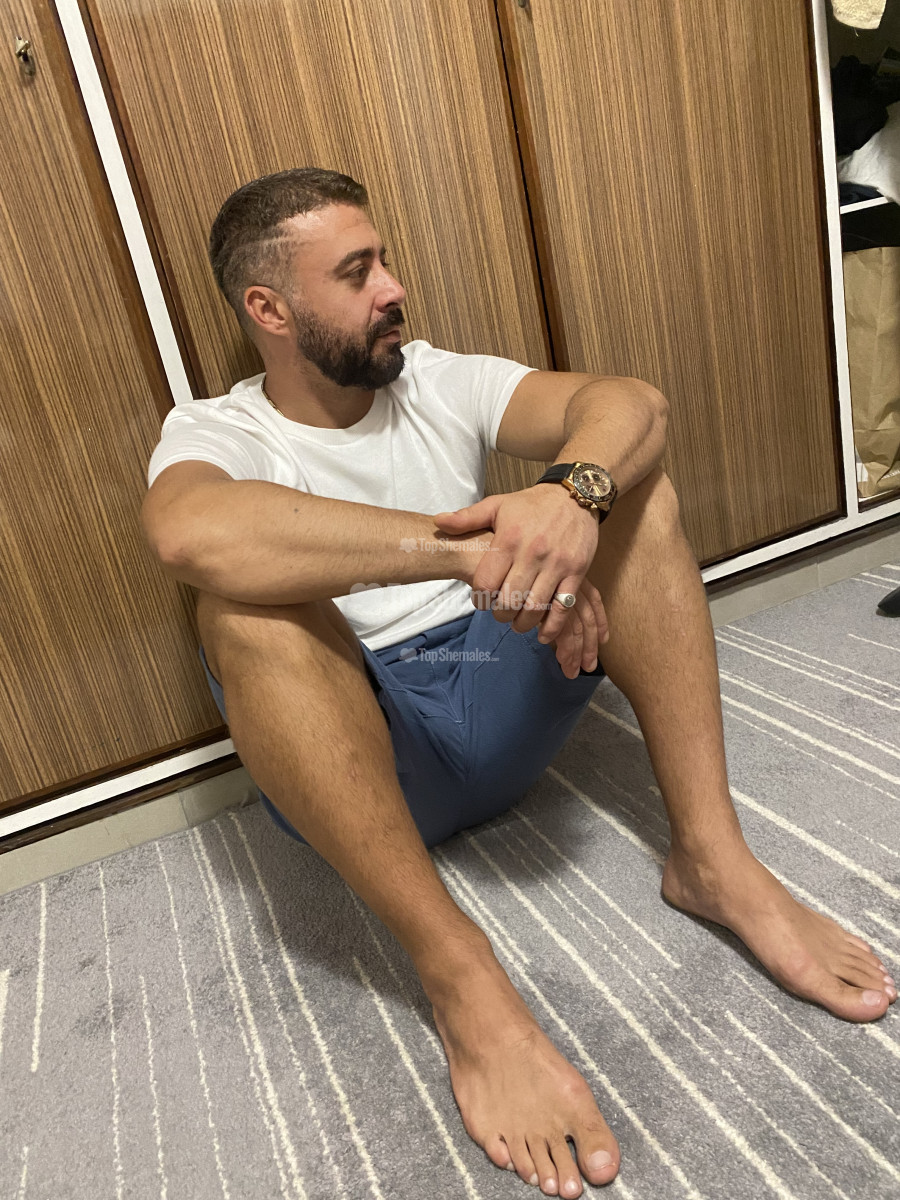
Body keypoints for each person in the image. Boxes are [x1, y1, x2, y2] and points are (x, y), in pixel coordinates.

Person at [141, 167, 896, 1198]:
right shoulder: (221, 432)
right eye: (357, 273)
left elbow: (630, 404)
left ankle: (713, 861)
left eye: (385, 260)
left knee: (634, 496)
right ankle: (463, 981)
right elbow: (191, 532)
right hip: (368, 754)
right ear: (269, 310)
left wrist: (574, 500)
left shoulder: (436, 378)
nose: (393, 288)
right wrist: (476, 553)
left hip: (508, 678)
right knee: (238, 611)